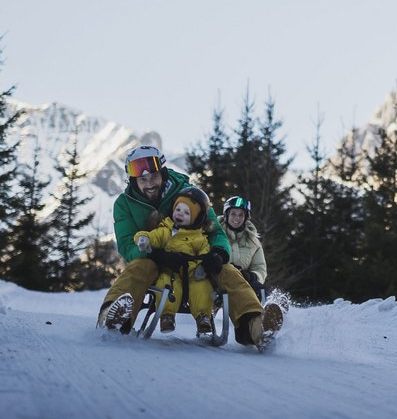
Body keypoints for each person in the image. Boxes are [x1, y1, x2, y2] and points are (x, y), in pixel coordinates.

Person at [96, 145, 283, 348]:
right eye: (142, 180)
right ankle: (112, 317)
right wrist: (155, 254)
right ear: (134, 181)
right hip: (156, 263)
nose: (149, 183)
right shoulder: (125, 203)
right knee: (139, 268)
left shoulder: (189, 194)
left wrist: (218, 254)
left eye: (154, 177)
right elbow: (126, 245)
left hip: (197, 261)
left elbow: (216, 232)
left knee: (229, 272)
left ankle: (257, 327)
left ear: (163, 174)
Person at [133, 186, 215, 334]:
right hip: (171, 271)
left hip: (193, 273)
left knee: (202, 287)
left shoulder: (199, 237)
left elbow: (205, 252)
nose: (180, 214)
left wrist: (203, 266)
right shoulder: (166, 230)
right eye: (178, 209)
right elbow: (154, 237)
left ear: (196, 218)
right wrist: (144, 238)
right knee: (166, 285)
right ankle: (167, 316)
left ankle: (203, 317)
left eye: (186, 212)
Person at [218, 196, 267, 299]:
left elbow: (259, 267)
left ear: (246, 217)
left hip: (243, 283)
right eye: (233, 214)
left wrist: (252, 276)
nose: (237, 218)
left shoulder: (253, 241)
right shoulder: (215, 234)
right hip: (218, 281)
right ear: (226, 215)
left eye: (241, 215)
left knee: (260, 289)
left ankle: (272, 309)